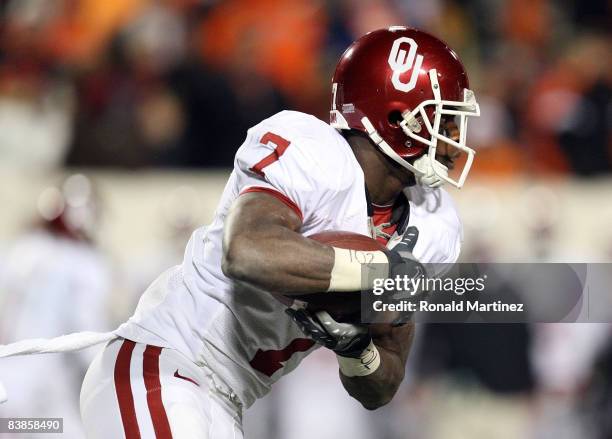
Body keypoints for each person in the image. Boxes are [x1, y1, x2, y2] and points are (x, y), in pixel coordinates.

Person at [1, 27, 480, 438]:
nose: (456, 134)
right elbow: (248, 250)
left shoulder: (432, 223)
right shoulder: (312, 149)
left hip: (229, 400)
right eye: (445, 116)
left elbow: (384, 382)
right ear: (396, 117)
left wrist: (356, 350)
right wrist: (372, 271)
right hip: (164, 365)